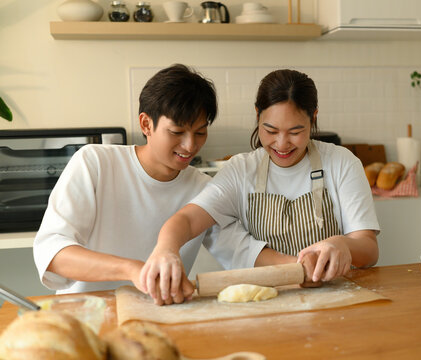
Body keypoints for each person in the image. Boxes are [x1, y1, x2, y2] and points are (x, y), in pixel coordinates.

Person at [141, 69, 380, 304]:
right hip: (268, 302)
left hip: (337, 298)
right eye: (271, 130)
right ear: (257, 115)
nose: (282, 143)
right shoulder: (241, 170)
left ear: (313, 117)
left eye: (295, 132)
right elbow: (187, 220)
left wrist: (341, 244)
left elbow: (369, 250)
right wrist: (166, 249)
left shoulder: (341, 163)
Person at [33, 64, 265, 305]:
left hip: (155, 315)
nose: (190, 146)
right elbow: (53, 253)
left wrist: (301, 266)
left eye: (200, 133)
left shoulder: (203, 187)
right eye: (177, 132)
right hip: (84, 315)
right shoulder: (96, 163)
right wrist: (133, 270)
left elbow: (241, 251)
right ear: (146, 124)